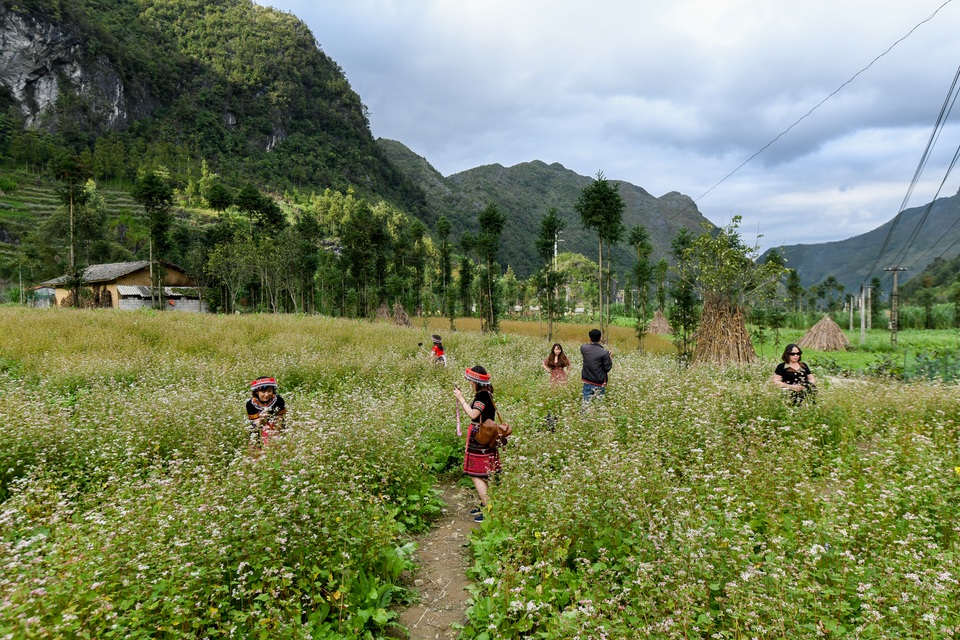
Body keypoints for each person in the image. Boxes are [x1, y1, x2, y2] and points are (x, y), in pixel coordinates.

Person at [453, 366, 501, 523]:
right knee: (484, 473)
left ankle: (489, 509)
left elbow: (473, 414)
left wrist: (461, 399)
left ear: (477, 382)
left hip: (480, 436)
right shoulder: (487, 392)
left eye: (471, 381)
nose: (470, 383)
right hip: (487, 434)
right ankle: (484, 504)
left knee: (476, 474)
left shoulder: (481, 396)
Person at [245, 376, 287, 446]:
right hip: (258, 430)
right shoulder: (251, 404)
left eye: (269, 391)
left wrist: (276, 432)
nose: (267, 394)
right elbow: (256, 422)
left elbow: (280, 418)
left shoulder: (278, 400)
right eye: (263, 392)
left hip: (276, 427)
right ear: (256, 392)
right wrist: (262, 421)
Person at [580, 328, 613, 405]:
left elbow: (586, 345)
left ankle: (585, 416)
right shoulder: (604, 353)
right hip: (599, 382)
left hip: (587, 381)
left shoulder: (584, 348)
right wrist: (610, 357)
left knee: (586, 404)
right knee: (598, 405)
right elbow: (607, 368)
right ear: (600, 338)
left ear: (589, 338)